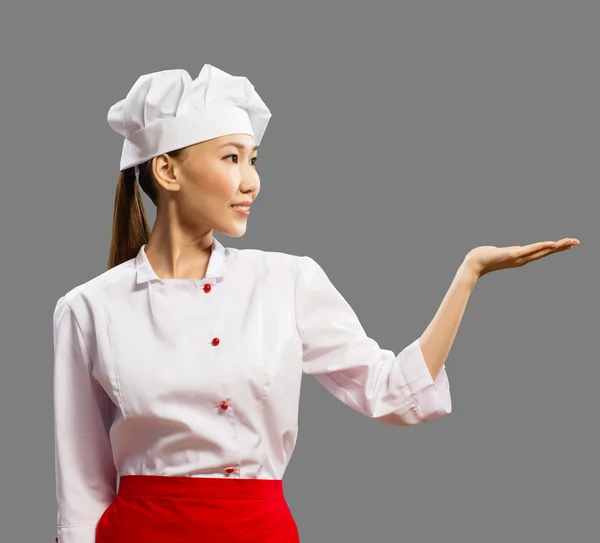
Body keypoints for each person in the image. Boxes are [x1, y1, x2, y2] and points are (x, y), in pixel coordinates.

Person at [52, 63, 580, 543]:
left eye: (254, 160)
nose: (251, 182)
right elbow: (80, 488)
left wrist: (469, 275)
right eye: (231, 158)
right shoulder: (87, 309)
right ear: (168, 171)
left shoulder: (288, 281)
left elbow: (392, 394)